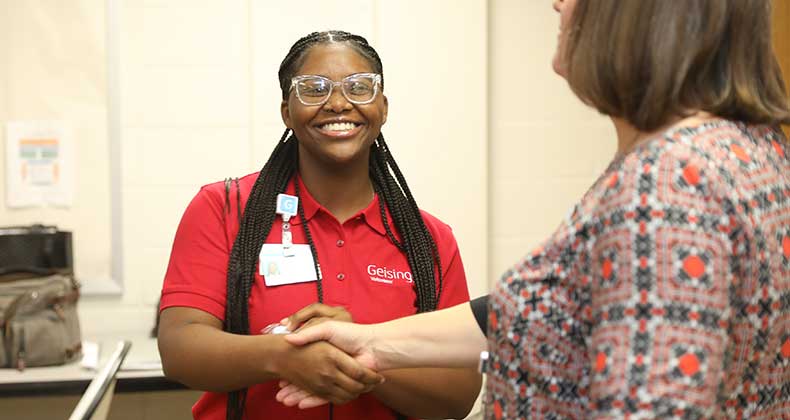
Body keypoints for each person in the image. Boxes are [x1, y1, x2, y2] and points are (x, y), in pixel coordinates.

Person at [284, 1, 790, 418]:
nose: (559, 4)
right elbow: (553, 308)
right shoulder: (750, 151)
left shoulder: (670, 184)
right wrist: (372, 343)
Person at [157, 30, 482, 420]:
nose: (339, 104)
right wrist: (283, 357)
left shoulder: (428, 239)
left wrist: (363, 355)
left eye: (360, 87)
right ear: (286, 111)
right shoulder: (224, 209)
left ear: (383, 107)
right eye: (313, 89)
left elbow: (460, 394)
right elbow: (179, 348)